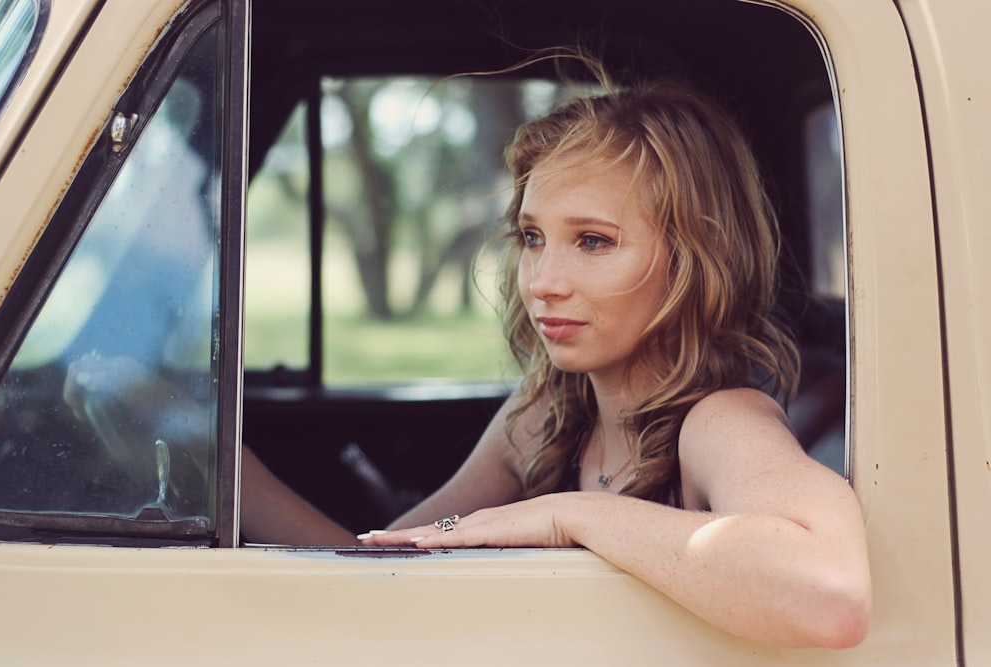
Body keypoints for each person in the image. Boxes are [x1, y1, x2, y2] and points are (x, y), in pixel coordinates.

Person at [241, 65, 871, 649]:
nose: (542, 280)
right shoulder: (550, 410)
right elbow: (381, 569)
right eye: (533, 237)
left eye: (593, 241)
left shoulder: (720, 422)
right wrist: (227, 477)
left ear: (692, 259)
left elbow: (831, 593)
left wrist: (569, 514)